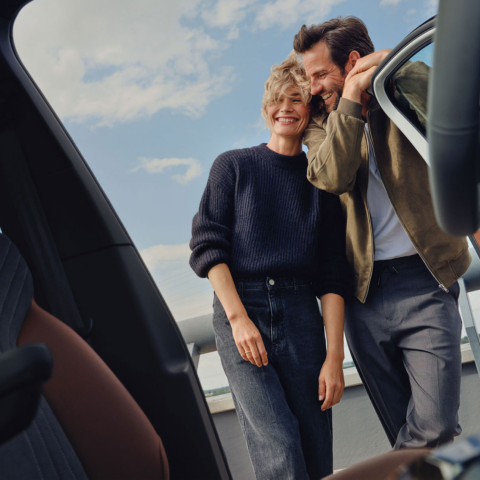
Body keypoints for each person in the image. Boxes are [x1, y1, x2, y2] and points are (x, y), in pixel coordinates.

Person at [292, 17, 472, 450]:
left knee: (435, 426)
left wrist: (395, 66)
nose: (313, 87)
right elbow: (331, 176)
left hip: (426, 281)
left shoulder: (405, 80)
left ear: (352, 60)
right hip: (364, 296)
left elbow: (455, 120)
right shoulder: (323, 121)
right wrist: (350, 99)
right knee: (403, 432)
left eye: (319, 74)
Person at [189, 55, 349, 480]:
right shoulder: (233, 166)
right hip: (242, 309)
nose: (285, 107)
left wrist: (335, 357)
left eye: (297, 99)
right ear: (265, 109)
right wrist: (239, 319)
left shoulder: (322, 184)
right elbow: (208, 247)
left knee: (315, 448)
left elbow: (333, 275)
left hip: (301, 317)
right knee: (278, 445)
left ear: (310, 109)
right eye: (278, 99)